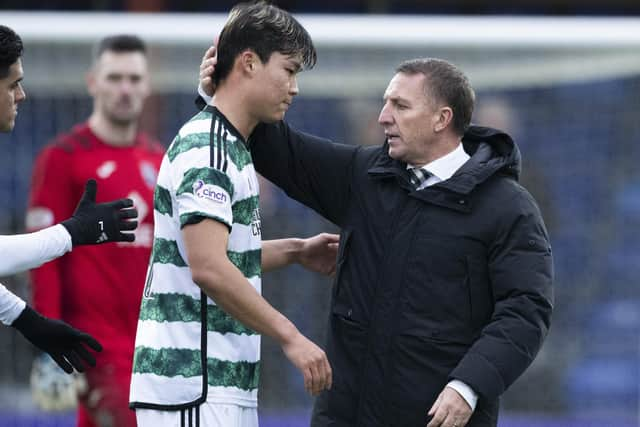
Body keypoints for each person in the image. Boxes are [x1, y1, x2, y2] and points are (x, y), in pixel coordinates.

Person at [200, 50, 554, 426]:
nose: (383, 117)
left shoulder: (508, 207)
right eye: (386, 103)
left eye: (400, 106)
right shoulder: (364, 175)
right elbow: (279, 150)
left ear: (442, 118)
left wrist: (469, 385)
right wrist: (224, 95)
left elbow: (526, 310)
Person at [129, 3, 336, 426]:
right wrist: (290, 335)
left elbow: (223, 256)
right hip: (192, 384)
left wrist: (296, 250)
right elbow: (208, 267)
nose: (294, 88)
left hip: (215, 386)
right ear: (249, 62)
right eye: (289, 70)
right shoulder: (208, 149)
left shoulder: (232, 147)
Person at [25, 34, 161, 426]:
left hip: (152, 347)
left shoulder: (160, 158)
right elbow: (41, 257)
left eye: (134, 79)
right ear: (92, 82)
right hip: (93, 346)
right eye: (114, 77)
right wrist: (50, 342)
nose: (125, 89)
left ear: (147, 85)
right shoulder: (63, 158)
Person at [0, 25, 138, 374]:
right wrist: (72, 233)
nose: (22, 95)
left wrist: (27, 320)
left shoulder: (154, 155)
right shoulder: (63, 156)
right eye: (12, 84)